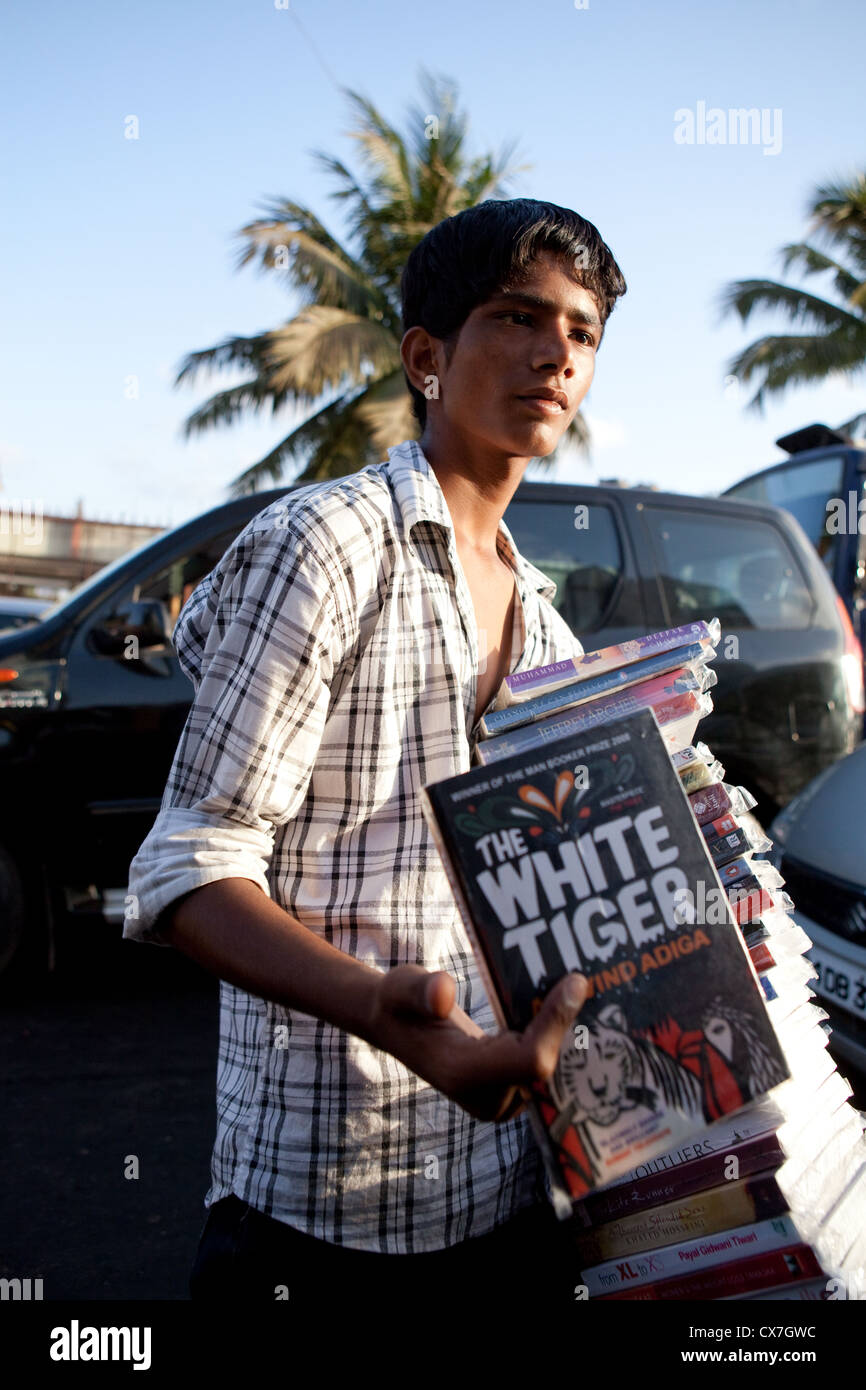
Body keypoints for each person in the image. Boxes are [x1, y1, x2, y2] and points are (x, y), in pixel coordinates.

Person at [124, 197, 627, 1310]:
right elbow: (188, 866)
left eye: (582, 332)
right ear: (425, 356)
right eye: (517, 316)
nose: (554, 351)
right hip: (313, 1205)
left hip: (497, 1187)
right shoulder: (327, 545)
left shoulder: (546, 628)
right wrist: (379, 1009)